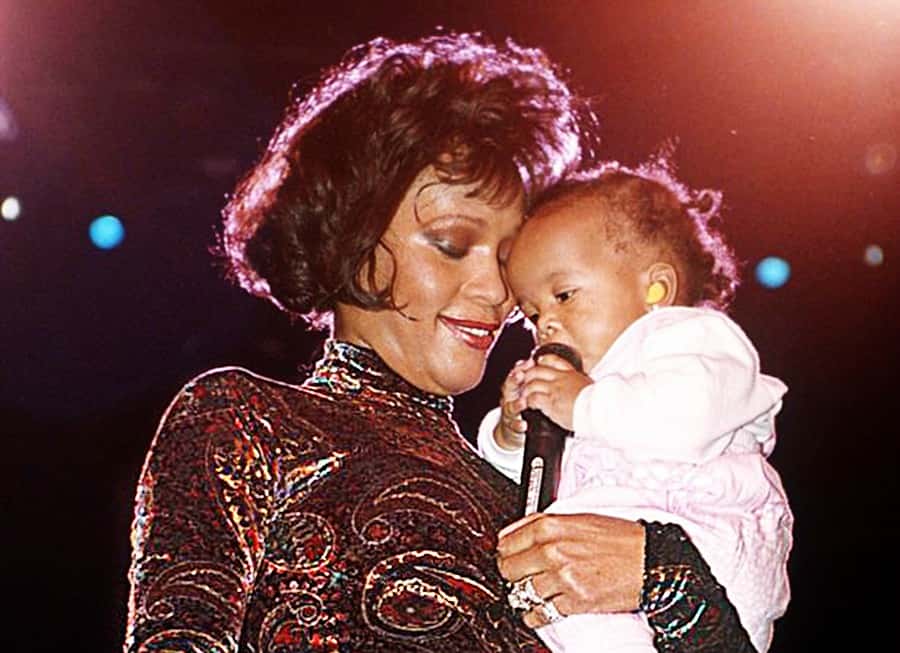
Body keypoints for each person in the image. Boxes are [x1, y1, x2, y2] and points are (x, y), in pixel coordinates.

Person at [124, 31, 759, 653]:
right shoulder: (247, 420)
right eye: (453, 245)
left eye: (509, 262)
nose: (496, 292)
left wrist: (666, 576)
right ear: (353, 237)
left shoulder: (545, 488)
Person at [479, 158, 794, 652]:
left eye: (565, 295)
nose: (547, 325)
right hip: (601, 576)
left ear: (655, 290)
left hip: (709, 545)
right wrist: (513, 432)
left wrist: (580, 403)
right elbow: (530, 481)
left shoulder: (690, 339)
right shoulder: (589, 387)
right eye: (533, 313)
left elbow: (688, 420)